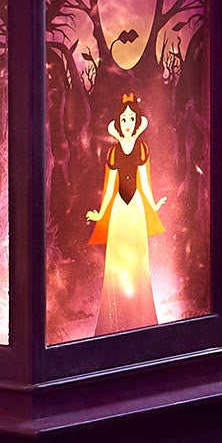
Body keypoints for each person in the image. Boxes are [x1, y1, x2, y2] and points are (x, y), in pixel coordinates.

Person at [87, 95, 168, 334]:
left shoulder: (142, 149)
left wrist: (154, 205)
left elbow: (144, 183)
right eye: (124, 119)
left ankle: (141, 317)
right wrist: (100, 214)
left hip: (136, 211)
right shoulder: (112, 153)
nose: (128, 123)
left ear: (137, 120)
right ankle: (114, 321)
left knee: (139, 262)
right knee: (117, 263)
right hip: (120, 213)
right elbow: (110, 188)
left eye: (131, 118)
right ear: (118, 122)